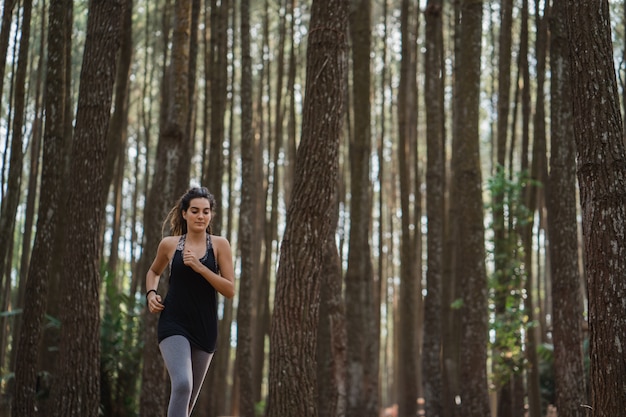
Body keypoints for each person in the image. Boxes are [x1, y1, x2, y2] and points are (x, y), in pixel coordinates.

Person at [146, 186, 235, 417]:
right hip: (174, 322)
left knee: (187, 401)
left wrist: (199, 267)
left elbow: (230, 289)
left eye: (206, 211)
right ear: (184, 213)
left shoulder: (219, 245)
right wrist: (151, 293)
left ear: (211, 215)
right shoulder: (169, 244)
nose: (201, 216)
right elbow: (153, 272)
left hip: (204, 327)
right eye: (195, 211)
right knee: (183, 384)